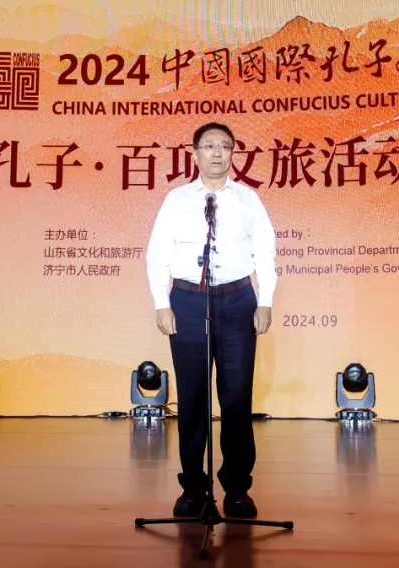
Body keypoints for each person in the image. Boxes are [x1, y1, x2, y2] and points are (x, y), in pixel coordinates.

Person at [145, 122, 277, 519]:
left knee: (236, 398)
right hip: (187, 301)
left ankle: (237, 489)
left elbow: (265, 252)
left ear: (233, 153)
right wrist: (162, 303)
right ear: (195, 153)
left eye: (225, 146)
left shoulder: (248, 199)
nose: (217, 153)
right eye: (209, 146)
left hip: (237, 301)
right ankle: (193, 488)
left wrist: (264, 301)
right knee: (192, 399)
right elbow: (158, 254)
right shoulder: (177, 200)